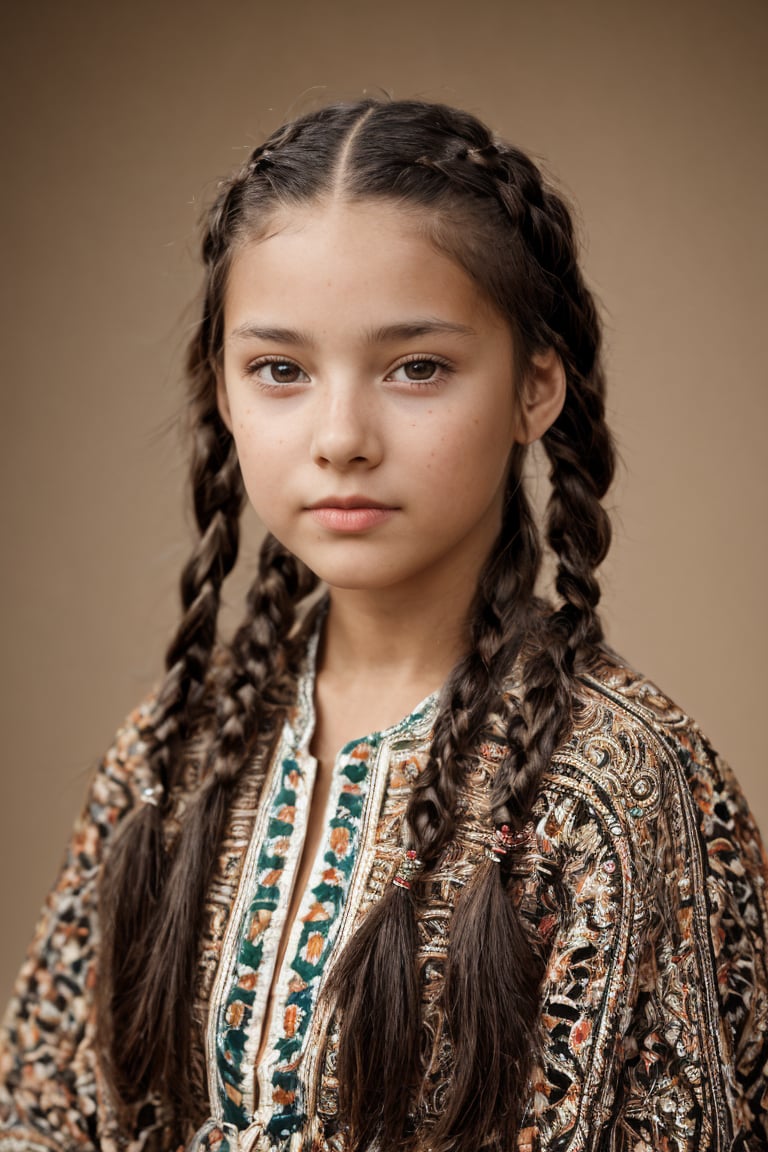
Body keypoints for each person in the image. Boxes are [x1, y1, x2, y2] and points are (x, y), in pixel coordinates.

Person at [1, 98, 766, 1152]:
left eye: (417, 368)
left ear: (535, 385)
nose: (341, 437)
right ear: (221, 391)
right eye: (281, 370)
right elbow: (38, 1112)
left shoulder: (621, 786)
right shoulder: (172, 754)